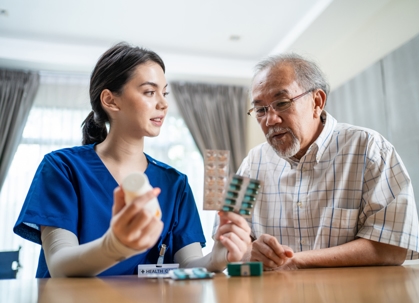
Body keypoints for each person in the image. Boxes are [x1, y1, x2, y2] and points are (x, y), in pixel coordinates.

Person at [13, 42, 251, 278]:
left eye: (164, 93)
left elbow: (188, 264)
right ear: (110, 100)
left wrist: (216, 259)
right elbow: (59, 265)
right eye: (149, 92)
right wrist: (114, 246)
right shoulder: (62, 168)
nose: (164, 103)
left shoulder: (175, 184)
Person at [221, 53, 419, 270]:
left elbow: (392, 247)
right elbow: (226, 243)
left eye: (281, 103)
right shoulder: (253, 163)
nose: (270, 120)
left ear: (317, 101)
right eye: (261, 110)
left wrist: (295, 260)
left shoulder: (369, 148)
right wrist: (249, 251)